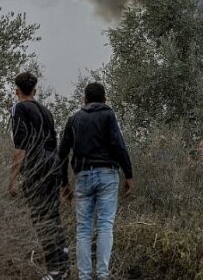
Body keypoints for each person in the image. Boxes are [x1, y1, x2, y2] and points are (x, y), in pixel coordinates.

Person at [59, 82, 134, 280]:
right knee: (105, 225)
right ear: (104, 98)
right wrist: (129, 174)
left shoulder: (73, 119)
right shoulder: (108, 115)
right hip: (107, 174)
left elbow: (62, 153)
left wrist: (64, 183)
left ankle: (84, 276)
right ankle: (102, 274)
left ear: (84, 98)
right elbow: (118, 145)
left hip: (83, 176)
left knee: (83, 228)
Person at [8, 72, 68, 280]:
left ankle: (54, 271)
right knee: (52, 215)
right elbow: (54, 143)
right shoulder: (47, 111)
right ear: (34, 90)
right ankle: (62, 264)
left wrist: (13, 178)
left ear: (17, 90)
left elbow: (20, 145)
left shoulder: (19, 108)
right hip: (53, 162)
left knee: (40, 216)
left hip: (35, 164)